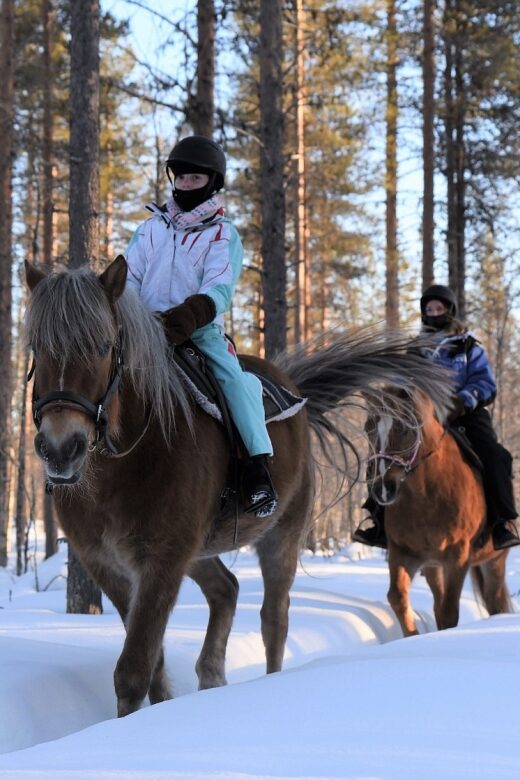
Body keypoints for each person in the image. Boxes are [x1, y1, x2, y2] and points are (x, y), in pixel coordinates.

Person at [124, 134, 277, 518]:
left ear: (212, 182)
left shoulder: (223, 234)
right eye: (181, 177)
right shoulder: (150, 229)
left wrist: (192, 313)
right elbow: (129, 277)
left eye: (195, 178)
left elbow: (220, 284)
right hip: (144, 330)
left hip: (199, 330)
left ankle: (256, 469)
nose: (186, 183)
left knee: (233, 381)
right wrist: (131, 315)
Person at [353, 283, 519, 550]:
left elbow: (485, 383)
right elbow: (399, 380)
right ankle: (378, 523)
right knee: (386, 451)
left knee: (496, 454)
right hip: (421, 417)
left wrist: (461, 402)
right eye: (428, 309)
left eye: (438, 308)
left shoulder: (467, 347)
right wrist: (389, 397)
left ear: (450, 311)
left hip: (463, 414)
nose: (433, 313)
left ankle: (502, 522)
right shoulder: (416, 349)